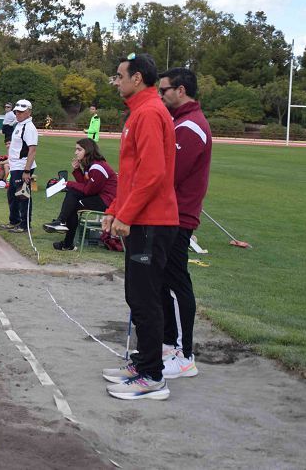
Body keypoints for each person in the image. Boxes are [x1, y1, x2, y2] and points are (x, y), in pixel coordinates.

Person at [101, 53, 178, 401]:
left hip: (151, 221)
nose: (115, 82)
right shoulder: (139, 112)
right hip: (142, 218)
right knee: (137, 296)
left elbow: (152, 175)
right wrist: (114, 209)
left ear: (138, 79)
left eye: (119, 76)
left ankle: (152, 376)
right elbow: (131, 176)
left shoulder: (148, 113)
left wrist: (127, 216)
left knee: (145, 299)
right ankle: (142, 362)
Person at [157, 67, 211, 380]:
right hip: (169, 214)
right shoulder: (181, 122)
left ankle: (185, 354)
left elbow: (168, 174)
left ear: (181, 90)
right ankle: (169, 346)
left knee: (176, 283)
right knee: (164, 281)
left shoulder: (190, 126)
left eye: (164, 90)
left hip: (178, 216)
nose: (161, 95)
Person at [44, 138, 117, 250]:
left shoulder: (97, 167)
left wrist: (68, 183)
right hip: (99, 197)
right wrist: (77, 170)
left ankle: (62, 226)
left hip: (108, 201)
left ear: (88, 151)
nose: (76, 152)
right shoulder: (90, 165)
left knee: (72, 199)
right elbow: (85, 186)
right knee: (73, 198)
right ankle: (63, 231)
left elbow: (88, 190)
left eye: (79, 149)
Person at [2, 99, 38, 234]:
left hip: (23, 166)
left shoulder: (29, 127)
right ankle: (14, 220)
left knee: (23, 195)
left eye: (21, 112)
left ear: (29, 112)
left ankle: (25, 224)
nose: (18, 113)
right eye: (17, 111)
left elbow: (32, 150)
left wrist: (27, 171)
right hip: (16, 165)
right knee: (12, 194)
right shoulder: (19, 124)